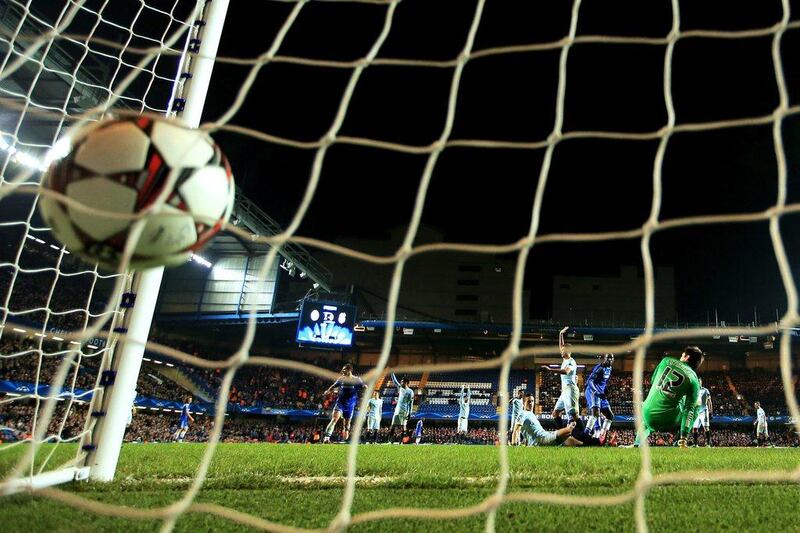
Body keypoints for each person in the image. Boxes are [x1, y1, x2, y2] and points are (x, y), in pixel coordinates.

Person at [636, 347, 704, 448]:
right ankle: (682, 440)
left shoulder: (666, 360)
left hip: (646, 413)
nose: (681, 357)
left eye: (682, 355)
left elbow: (652, 380)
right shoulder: (693, 379)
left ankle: (637, 443)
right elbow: (689, 410)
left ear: (687, 357)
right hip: (667, 419)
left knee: (653, 404)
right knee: (696, 404)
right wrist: (684, 435)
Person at [541, 327, 579, 428]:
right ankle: (562, 433)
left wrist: (550, 370)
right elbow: (561, 346)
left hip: (570, 390)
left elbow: (566, 371)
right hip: (564, 391)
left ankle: (581, 436)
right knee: (555, 413)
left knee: (573, 416)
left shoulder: (571, 362)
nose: (561, 351)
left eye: (563, 350)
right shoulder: (565, 359)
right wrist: (560, 334)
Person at [322, 363, 364, 443]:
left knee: (346, 424)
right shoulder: (341, 379)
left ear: (350, 370)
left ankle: (345, 436)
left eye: (345, 369)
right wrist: (328, 391)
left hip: (350, 405)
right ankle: (326, 438)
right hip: (340, 403)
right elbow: (333, 385)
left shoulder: (356, 379)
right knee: (334, 419)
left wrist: (365, 387)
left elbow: (362, 386)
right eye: (343, 369)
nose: (343, 371)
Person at [584, 353, 614, 443]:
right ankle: (585, 436)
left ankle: (602, 434)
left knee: (610, 416)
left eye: (612, 359)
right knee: (595, 414)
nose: (610, 360)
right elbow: (590, 381)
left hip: (600, 393)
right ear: (604, 359)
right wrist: (596, 392)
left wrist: (605, 390)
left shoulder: (610, 368)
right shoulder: (599, 368)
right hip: (592, 391)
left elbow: (603, 382)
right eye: (608, 358)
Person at [691, 378, 712, 447]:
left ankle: (708, 444)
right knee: (694, 428)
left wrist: (710, 411)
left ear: (701, 382)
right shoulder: (694, 391)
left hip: (704, 411)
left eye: (699, 381)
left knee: (706, 427)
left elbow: (709, 401)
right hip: (696, 412)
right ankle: (695, 444)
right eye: (697, 382)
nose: (698, 383)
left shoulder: (705, 390)